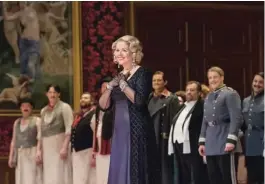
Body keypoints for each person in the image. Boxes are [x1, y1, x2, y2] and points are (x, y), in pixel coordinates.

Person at [99, 35, 160, 184]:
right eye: (117, 50)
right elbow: (103, 106)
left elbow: (139, 101)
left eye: (124, 50)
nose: (118, 53)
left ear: (133, 53)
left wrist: (123, 86)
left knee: (136, 170)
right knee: (120, 166)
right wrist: (109, 87)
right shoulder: (119, 76)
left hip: (137, 129)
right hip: (119, 130)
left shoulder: (143, 73)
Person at [198, 66, 243, 184]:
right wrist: (202, 142)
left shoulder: (230, 94)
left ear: (222, 78)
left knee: (227, 177)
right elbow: (205, 120)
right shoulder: (208, 97)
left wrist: (231, 139)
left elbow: (236, 117)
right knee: (214, 177)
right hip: (211, 141)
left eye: (215, 77)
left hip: (225, 138)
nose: (212, 80)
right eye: (210, 78)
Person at [168, 81, 209, 184]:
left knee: (195, 174)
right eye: (187, 90)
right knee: (183, 175)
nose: (188, 92)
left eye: (192, 90)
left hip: (193, 145)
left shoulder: (202, 106)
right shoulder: (182, 106)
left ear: (199, 93)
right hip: (178, 145)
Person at [147, 71, 180, 184]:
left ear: (165, 82)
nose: (156, 82)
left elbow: (175, 122)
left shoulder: (171, 98)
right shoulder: (149, 98)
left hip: (164, 140)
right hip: (150, 139)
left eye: (159, 80)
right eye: (154, 80)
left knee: (165, 170)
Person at [41, 84, 73, 184]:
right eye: (50, 92)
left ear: (59, 94)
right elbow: (42, 132)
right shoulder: (44, 110)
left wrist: (64, 147)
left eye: (55, 92)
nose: (52, 95)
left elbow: (69, 128)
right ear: (46, 94)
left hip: (60, 144)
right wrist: (40, 150)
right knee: (49, 173)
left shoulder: (65, 107)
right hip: (47, 146)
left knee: (60, 172)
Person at [3, 1, 41, 81]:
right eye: (20, 3)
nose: (21, 4)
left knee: (30, 64)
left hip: (34, 41)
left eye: (23, 2)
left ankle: (32, 78)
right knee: (23, 62)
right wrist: (3, 6)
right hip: (24, 40)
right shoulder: (19, 13)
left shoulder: (32, 9)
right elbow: (7, 18)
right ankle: (23, 77)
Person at [8, 98, 42, 184]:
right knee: (21, 178)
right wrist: (11, 156)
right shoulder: (17, 122)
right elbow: (13, 140)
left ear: (32, 108)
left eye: (28, 106)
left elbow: (40, 138)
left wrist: (38, 151)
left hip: (32, 152)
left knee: (32, 178)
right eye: (23, 106)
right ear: (20, 108)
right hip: (20, 154)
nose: (25, 108)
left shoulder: (37, 120)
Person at [242, 72, 264, 184]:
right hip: (249, 144)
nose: (257, 84)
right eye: (255, 81)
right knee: (251, 176)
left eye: (261, 82)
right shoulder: (246, 101)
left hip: (262, 144)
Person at [92, 76, 114, 184]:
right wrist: (94, 148)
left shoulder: (115, 106)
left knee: (109, 172)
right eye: (103, 87)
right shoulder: (98, 107)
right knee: (100, 173)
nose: (105, 89)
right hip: (99, 143)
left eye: (107, 87)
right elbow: (96, 127)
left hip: (111, 145)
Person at [71, 92, 96, 184]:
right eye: (82, 98)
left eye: (86, 98)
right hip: (77, 152)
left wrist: (94, 152)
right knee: (78, 178)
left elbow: (95, 134)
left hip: (87, 151)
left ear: (92, 101)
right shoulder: (79, 116)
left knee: (86, 179)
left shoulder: (93, 114)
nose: (82, 100)